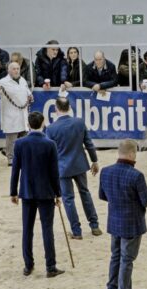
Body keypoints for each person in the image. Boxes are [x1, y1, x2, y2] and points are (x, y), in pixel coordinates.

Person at [10, 112, 65, 277]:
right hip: (46, 192)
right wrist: (58, 193)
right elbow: (54, 172)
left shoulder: (20, 143)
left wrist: (13, 191)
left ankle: (28, 265)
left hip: (26, 191)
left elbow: (15, 170)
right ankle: (51, 266)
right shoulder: (50, 144)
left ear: (28, 124)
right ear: (43, 123)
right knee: (47, 229)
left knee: (27, 229)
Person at [98, 140, 147, 289]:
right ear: (131, 154)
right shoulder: (136, 175)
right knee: (127, 259)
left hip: (114, 220)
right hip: (132, 222)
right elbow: (146, 200)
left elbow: (102, 195)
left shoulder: (106, 172)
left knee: (115, 255)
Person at [47, 97, 101, 240]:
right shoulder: (79, 122)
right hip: (79, 164)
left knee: (68, 199)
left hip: (62, 167)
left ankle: (76, 231)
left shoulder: (51, 128)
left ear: (56, 109)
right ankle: (94, 225)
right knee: (85, 193)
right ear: (69, 107)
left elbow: (49, 152)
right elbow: (89, 143)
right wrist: (94, 160)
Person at [0, 61, 32, 166]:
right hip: (10, 115)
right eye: (14, 69)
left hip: (22, 113)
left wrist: (30, 96)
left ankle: (22, 157)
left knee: (24, 137)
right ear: (8, 70)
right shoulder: (3, 82)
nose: (16, 71)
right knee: (12, 138)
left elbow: (27, 91)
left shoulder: (22, 80)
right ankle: (10, 158)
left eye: (17, 68)